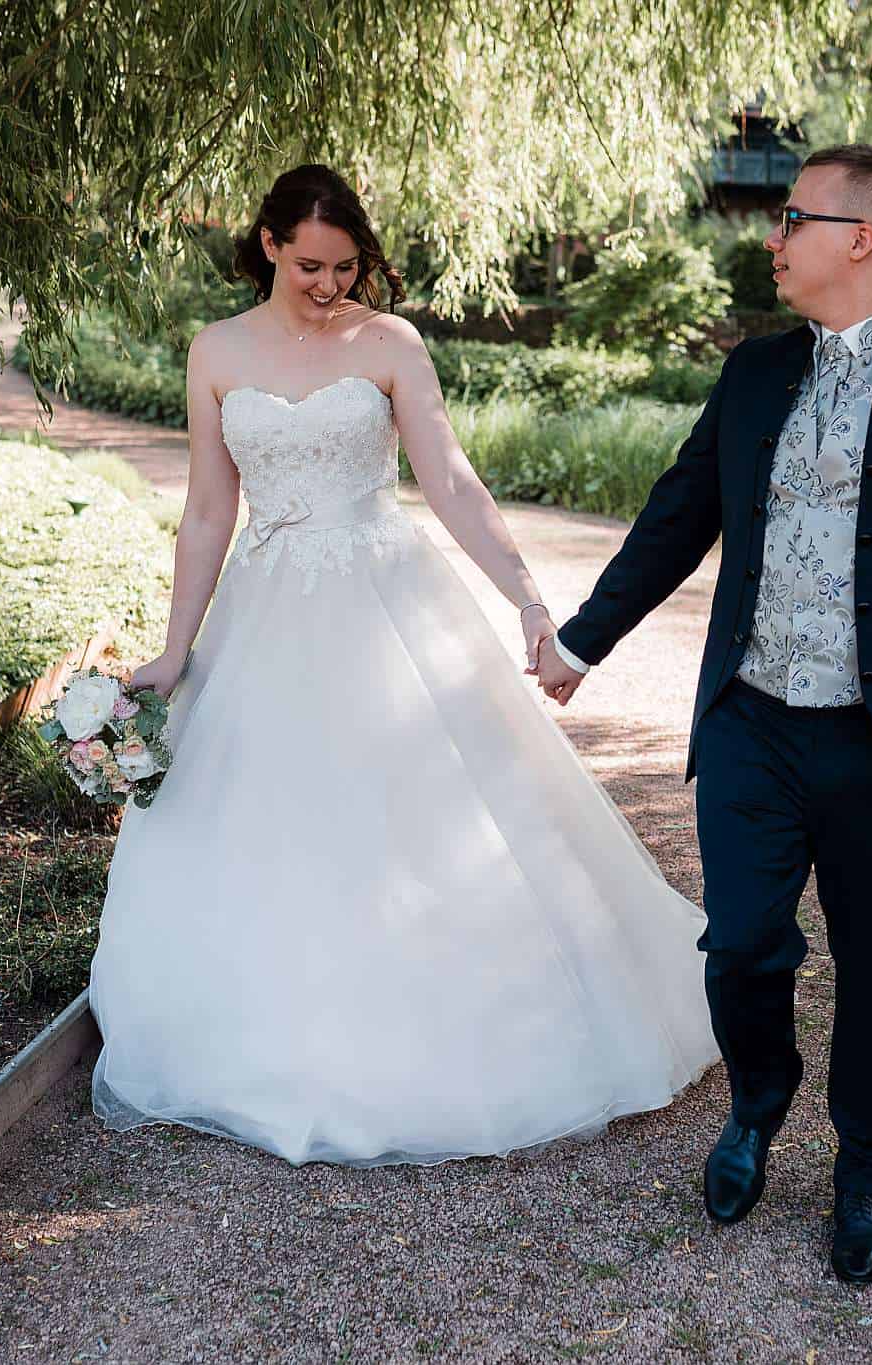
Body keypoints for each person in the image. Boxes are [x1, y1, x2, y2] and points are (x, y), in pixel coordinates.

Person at [86, 164, 718, 1167]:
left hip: (386, 599)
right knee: (268, 817)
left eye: (345, 267)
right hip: (266, 612)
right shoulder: (215, 351)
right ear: (265, 246)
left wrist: (526, 599)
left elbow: (451, 480)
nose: (329, 286)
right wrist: (175, 647)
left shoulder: (390, 345)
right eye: (308, 266)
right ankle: (272, 1032)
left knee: (433, 809)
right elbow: (208, 511)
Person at [534, 144, 872, 1283]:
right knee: (738, 943)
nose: (771, 240)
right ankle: (755, 1102)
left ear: (860, 239)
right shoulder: (753, 372)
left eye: (790, 219)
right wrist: (584, 637)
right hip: (754, 715)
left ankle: (862, 1172)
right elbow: (679, 512)